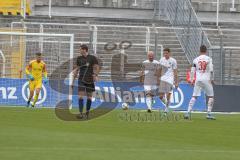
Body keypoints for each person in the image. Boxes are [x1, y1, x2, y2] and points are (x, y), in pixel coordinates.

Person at [184, 45, 215, 120]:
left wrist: (191, 80)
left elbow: (192, 70)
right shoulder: (209, 59)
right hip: (206, 79)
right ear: (206, 51)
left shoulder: (195, 60)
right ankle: (208, 113)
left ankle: (188, 112)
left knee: (194, 96)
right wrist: (212, 79)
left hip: (198, 79)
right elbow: (211, 69)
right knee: (211, 96)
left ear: (200, 51)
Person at [71, 44, 99, 119]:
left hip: (90, 80)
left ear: (84, 50)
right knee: (80, 97)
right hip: (81, 80)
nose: (79, 51)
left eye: (80, 49)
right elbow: (76, 70)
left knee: (89, 98)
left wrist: (95, 75)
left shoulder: (92, 58)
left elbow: (96, 67)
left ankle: (87, 114)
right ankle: (80, 113)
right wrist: (72, 82)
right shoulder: (79, 58)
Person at [158, 48, 178, 113]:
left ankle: (166, 108)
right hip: (163, 79)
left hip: (170, 79)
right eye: (164, 53)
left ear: (169, 53)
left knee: (168, 95)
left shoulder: (173, 61)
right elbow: (159, 70)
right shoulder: (161, 60)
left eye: (166, 53)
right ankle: (167, 104)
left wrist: (176, 82)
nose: (165, 54)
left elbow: (175, 72)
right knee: (160, 96)